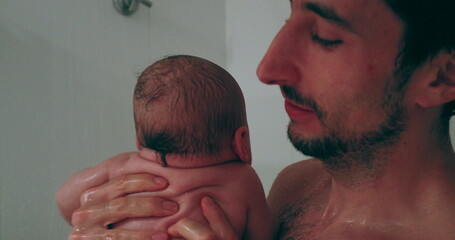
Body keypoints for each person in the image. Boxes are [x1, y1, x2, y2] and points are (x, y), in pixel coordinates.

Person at [65, 0, 455, 239]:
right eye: (289, 14)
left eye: (325, 35)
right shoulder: (293, 187)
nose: (268, 68)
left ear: (442, 76)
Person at [56, 55, 274, 240]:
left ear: (139, 141)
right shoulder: (243, 182)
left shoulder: (122, 167)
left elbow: (66, 200)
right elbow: (266, 236)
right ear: (241, 141)